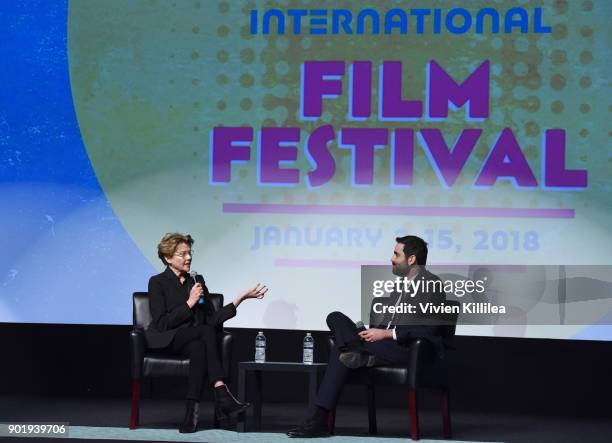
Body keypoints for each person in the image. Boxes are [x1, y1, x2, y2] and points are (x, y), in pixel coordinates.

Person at [287, 235, 447, 438]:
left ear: (412, 259)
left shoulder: (432, 285)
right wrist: (368, 333)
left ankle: (319, 418)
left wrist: (387, 333)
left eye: (396, 254)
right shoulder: (398, 287)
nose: (392, 258)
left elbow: (429, 330)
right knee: (335, 317)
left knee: (339, 349)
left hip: (407, 349)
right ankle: (356, 349)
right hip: (379, 346)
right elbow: (384, 323)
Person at [146, 233, 268, 433]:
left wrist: (240, 299)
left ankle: (190, 416)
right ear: (168, 258)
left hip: (194, 340)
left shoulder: (196, 279)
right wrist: (189, 303)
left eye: (190, 253)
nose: (188, 258)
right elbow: (161, 324)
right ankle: (221, 392)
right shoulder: (157, 282)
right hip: (167, 339)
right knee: (204, 332)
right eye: (182, 254)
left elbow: (211, 319)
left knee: (199, 346)